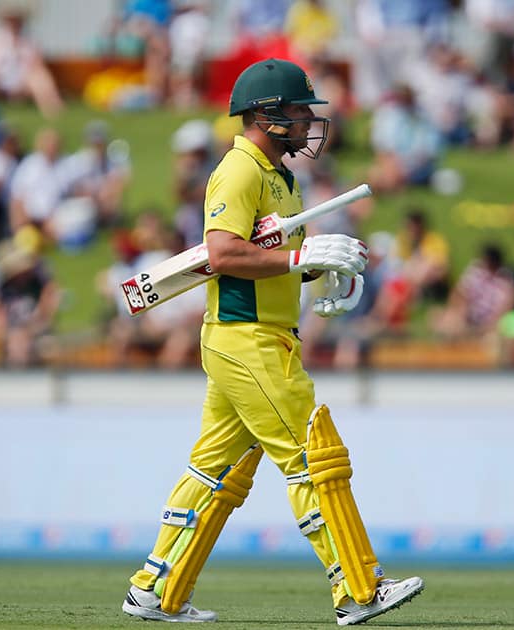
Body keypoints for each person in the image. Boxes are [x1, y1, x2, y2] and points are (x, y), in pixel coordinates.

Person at [122, 58, 424, 625]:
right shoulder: (238, 172)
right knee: (314, 458)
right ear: (266, 115)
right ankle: (358, 589)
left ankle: (154, 590)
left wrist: (318, 270)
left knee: (216, 473)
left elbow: (274, 262)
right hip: (248, 339)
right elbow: (222, 254)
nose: (310, 119)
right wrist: (300, 256)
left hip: (258, 338)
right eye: (297, 109)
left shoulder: (280, 177)